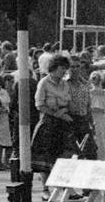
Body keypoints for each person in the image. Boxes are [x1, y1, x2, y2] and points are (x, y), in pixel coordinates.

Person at [31, 55, 74, 193]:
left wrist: (64, 112)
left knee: (64, 155)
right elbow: (39, 105)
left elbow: (68, 102)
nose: (64, 71)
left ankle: (62, 187)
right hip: (48, 121)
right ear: (54, 68)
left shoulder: (65, 84)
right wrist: (56, 114)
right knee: (46, 157)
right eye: (62, 68)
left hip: (63, 121)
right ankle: (45, 189)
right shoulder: (44, 83)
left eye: (65, 69)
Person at [88, 71, 105, 160]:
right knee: (103, 140)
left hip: (97, 118)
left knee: (102, 139)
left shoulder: (90, 93)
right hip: (99, 118)